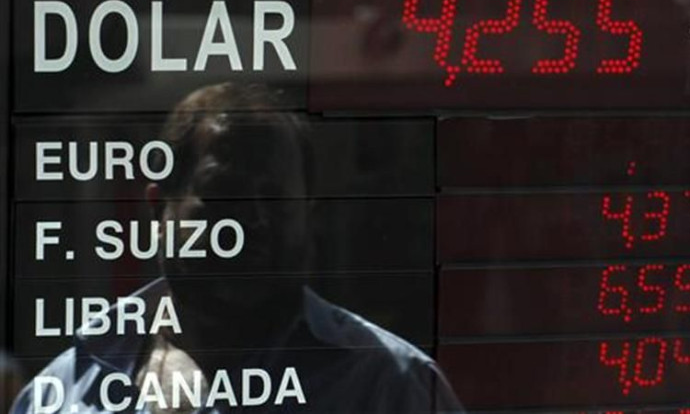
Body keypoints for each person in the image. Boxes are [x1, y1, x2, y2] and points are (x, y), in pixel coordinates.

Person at [11, 83, 463, 414]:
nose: (253, 220)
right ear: (158, 206)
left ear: (309, 213)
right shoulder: (60, 394)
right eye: (225, 193)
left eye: (275, 198)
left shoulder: (391, 386)